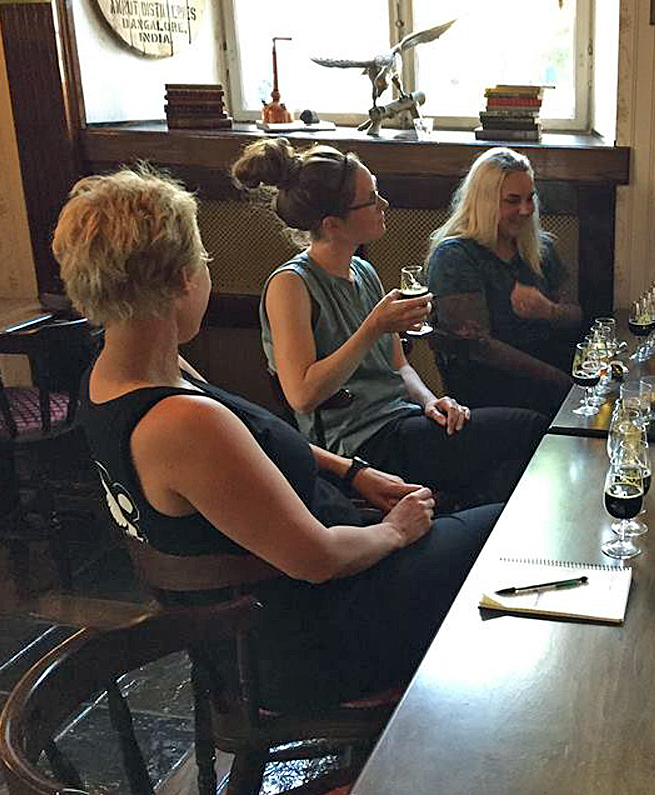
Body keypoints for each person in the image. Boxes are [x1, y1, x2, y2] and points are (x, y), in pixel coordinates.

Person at [57, 166, 502, 710]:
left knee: (491, 530)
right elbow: (317, 559)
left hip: (296, 603)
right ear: (181, 280)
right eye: (203, 259)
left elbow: (250, 443)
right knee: (508, 533)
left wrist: (353, 472)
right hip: (310, 637)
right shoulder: (180, 422)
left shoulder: (120, 374)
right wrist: (395, 531)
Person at [231, 139, 548, 510]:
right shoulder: (291, 284)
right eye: (370, 200)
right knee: (528, 431)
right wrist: (372, 328)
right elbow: (302, 395)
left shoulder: (363, 270)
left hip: (402, 419)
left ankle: (462, 517)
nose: (384, 204)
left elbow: (399, 366)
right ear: (332, 224)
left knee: (515, 446)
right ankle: (466, 518)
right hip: (358, 444)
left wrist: (432, 402)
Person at [426, 147, 582, 417]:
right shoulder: (455, 255)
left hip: (550, 368)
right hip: (491, 386)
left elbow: (576, 316)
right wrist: (559, 380)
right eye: (512, 200)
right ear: (484, 202)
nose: (525, 210)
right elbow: (479, 348)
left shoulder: (539, 247)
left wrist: (549, 310)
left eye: (530, 198)